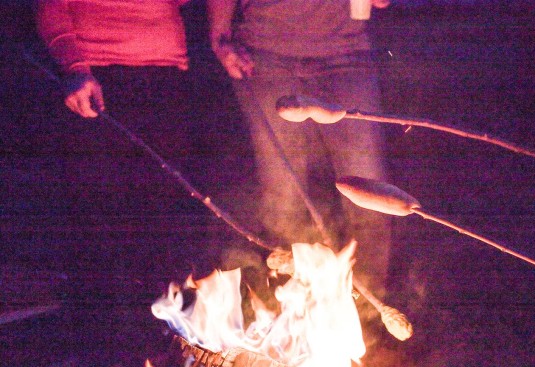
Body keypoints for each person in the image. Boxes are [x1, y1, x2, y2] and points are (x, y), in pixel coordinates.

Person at [206, 0, 394, 305]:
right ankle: (287, 307)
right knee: (282, 191)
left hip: (345, 56)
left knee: (368, 188)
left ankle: (370, 309)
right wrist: (220, 38)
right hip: (265, 53)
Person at [35, 0, 213, 295]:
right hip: (99, 73)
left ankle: (164, 311)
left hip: (166, 70)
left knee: (165, 199)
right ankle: (105, 312)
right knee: (103, 204)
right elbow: (50, 6)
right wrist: (74, 66)